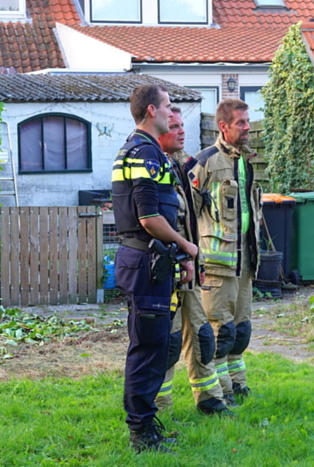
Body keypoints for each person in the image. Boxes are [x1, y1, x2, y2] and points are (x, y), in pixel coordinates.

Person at [112, 84, 198, 454]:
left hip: (150, 262)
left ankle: (147, 426)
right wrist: (187, 246)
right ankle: (141, 433)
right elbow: (149, 217)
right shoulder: (144, 153)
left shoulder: (141, 150)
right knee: (148, 347)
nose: (170, 113)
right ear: (151, 110)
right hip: (146, 262)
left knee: (154, 343)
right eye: (166, 106)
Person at [153, 106, 233, 416]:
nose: (182, 131)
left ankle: (209, 399)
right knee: (168, 343)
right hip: (165, 271)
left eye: (182, 125)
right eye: (174, 126)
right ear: (158, 129)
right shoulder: (153, 169)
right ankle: (157, 408)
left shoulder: (180, 167)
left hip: (189, 267)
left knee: (202, 335)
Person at [190, 98, 262, 406]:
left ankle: (238, 385)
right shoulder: (204, 162)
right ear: (223, 126)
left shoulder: (246, 161)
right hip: (217, 264)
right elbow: (187, 213)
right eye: (241, 123)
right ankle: (218, 393)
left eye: (248, 122)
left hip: (245, 260)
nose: (248, 128)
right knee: (219, 333)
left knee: (240, 330)